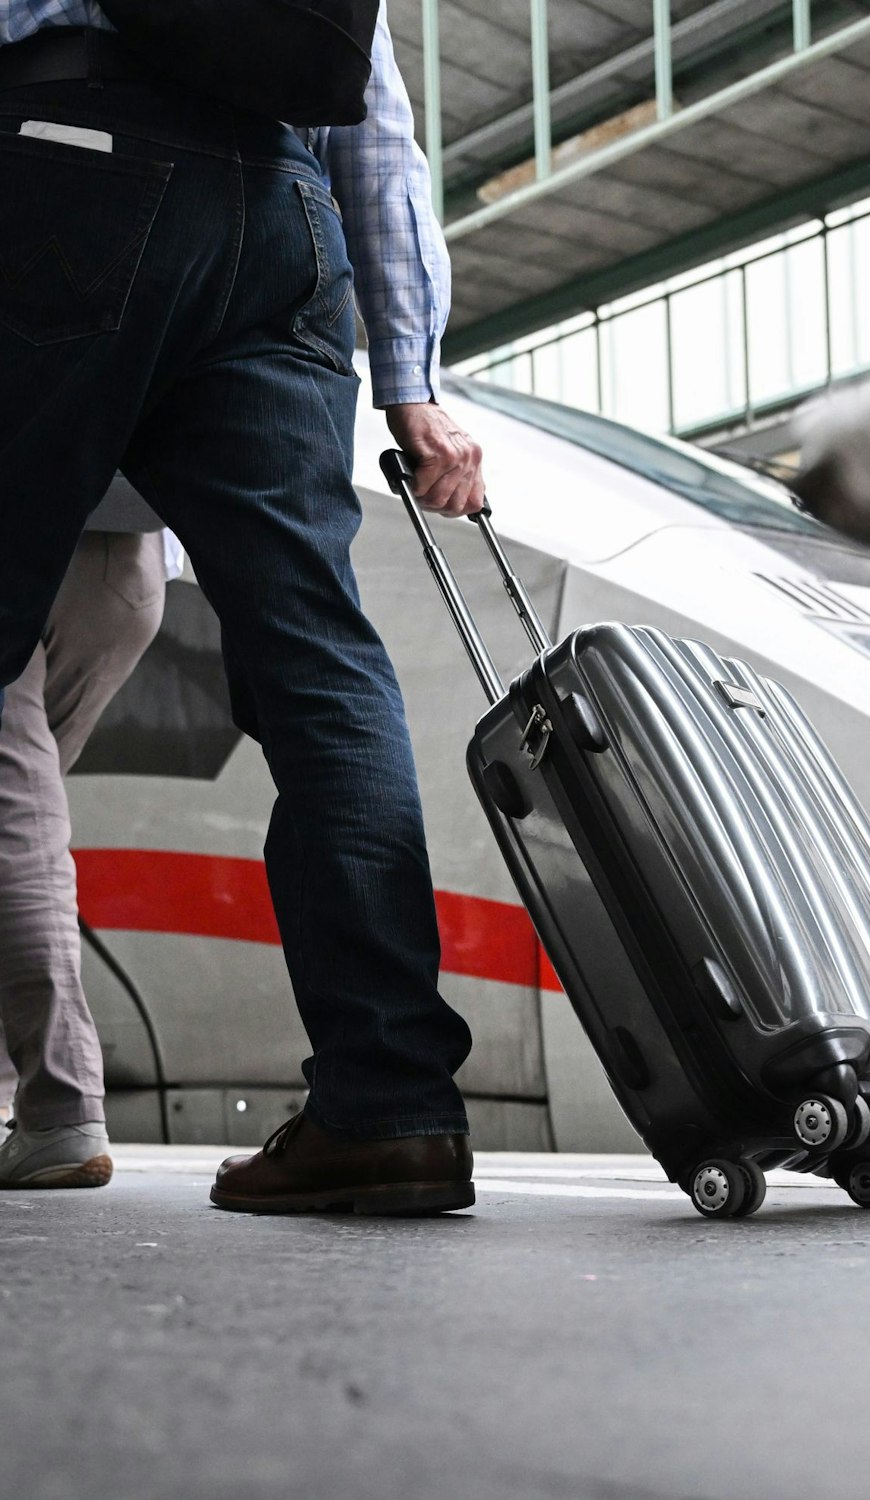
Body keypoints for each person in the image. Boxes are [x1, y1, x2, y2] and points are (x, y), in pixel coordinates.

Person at [0, 5, 490, 1214]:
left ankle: (54, 1100)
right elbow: (376, 130)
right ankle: (391, 1109)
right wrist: (410, 378)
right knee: (323, 667)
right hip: (284, 212)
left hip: (67, 161)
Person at [0, 487, 167, 1188]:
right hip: (125, 569)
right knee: (19, 824)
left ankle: (60, 1106)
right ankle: (22, 1101)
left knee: (15, 830)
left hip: (25, 538)